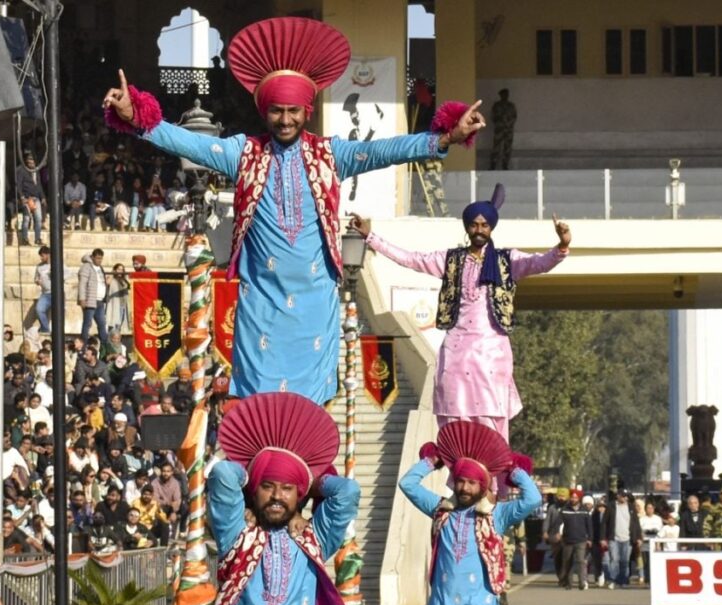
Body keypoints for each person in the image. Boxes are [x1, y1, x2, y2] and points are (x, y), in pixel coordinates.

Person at [103, 16, 483, 404]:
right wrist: (137, 117)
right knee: (261, 410)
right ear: (264, 111)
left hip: (316, 304)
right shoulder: (244, 153)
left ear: (308, 111)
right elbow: (189, 144)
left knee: (307, 412)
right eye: (277, 111)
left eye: (293, 111)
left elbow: (386, 150)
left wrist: (446, 137)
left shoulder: (330, 156)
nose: (285, 120)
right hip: (261, 303)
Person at [354, 189, 571, 439]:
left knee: (489, 416)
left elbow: (541, 263)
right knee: (453, 415)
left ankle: (490, 475)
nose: (479, 230)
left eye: (484, 225)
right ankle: (459, 472)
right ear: (467, 227)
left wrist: (563, 245)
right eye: (474, 225)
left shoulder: (507, 261)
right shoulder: (451, 260)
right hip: (457, 350)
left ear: (491, 228)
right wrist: (371, 237)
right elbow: (411, 259)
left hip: (492, 352)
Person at [205, 392, 360, 605]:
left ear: (299, 494)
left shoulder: (313, 538)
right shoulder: (237, 533)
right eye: (267, 486)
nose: (277, 496)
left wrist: (310, 482)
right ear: (254, 488)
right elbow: (224, 473)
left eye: (288, 488)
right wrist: (250, 477)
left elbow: (348, 492)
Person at [398, 421, 540, 605]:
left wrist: (513, 470)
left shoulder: (497, 516)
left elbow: (533, 499)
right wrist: (432, 461)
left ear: (483, 486)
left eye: (472, 483)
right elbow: (407, 484)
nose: (464, 488)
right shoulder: (441, 510)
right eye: (460, 481)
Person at [602, 489, 641, 589]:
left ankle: (623, 580)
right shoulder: (611, 506)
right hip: (614, 538)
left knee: (625, 561)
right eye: (623, 496)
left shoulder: (631, 507)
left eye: (626, 496)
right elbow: (604, 523)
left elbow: (636, 524)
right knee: (614, 560)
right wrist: (603, 538)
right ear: (618, 496)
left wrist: (638, 537)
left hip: (627, 538)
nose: (625, 498)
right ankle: (613, 580)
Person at [559, 490, 593, 591]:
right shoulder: (564, 510)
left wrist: (590, 539)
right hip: (567, 540)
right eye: (572, 497)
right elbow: (558, 523)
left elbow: (589, 526)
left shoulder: (584, 510)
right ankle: (569, 583)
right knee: (568, 562)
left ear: (579, 498)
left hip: (581, 540)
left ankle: (582, 582)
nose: (574, 499)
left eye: (576, 497)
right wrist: (558, 533)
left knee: (581, 561)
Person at [77, 248, 108, 343]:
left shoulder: (100, 268)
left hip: (100, 300)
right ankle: (84, 345)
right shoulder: (86, 267)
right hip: (90, 300)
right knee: (87, 324)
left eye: (101, 258)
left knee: (102, 324)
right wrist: (82, 299)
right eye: (97, 258)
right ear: (92, 257)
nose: (99, 260)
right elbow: (82, 283)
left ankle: (104, 346)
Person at [17, 152, 44, 246]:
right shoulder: (22, 170)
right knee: (26, 219)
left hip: (36, 198)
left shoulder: (36, 171)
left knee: (38, 219)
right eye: (29, 159)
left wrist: (43, 197)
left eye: (32, 160)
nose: (31, 161)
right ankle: (24, 239)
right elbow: (18, 185)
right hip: (27, 198)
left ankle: (37, 238)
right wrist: (22, 197)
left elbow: (39, 185)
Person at [489, 88, 517, 170]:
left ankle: (505, 165)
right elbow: (493, 117)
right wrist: (499, 124)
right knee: (496, 148)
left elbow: (514, 117)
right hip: (499, 129)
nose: (505, 96)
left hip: (508, 130)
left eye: (506, 94)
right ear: (500, 95)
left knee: (507, 148)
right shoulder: (496, 105)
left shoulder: (511, 106)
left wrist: (508, 124)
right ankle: (493, 164)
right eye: (503, 94)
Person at [34, 246, 52, 334]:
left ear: (48, 255)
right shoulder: (39, 267)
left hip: (56, 293)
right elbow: (36, 278)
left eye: (43, 255)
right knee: (39, 309)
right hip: (45, 293)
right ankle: (45, 328)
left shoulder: (56, 263)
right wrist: (37, 281)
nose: (41, 258)